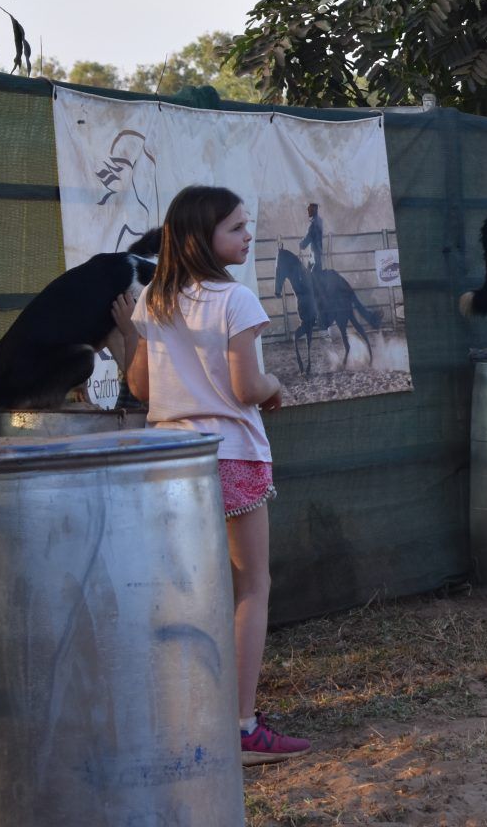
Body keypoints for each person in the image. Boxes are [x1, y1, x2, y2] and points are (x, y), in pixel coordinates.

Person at [111, 185, 311, 766]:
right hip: (230, 458)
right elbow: (248, 387)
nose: (248, 235)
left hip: (167, 463)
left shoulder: (154, 300)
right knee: (252, 586)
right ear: (203, 238)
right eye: (237, 228)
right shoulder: (237, 299)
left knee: (180, 593)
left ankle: (179, 719)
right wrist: (275, 388)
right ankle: (242, 727)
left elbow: (141, 389)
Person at [300, 202, 324, 271]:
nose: (308, 211)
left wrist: (301, 244)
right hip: (316, 254)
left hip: (314, 256)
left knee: (311, 276)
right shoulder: (319, 221)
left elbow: (307, 239)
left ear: (313, 210)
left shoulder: (313, 224)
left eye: (309, 209)